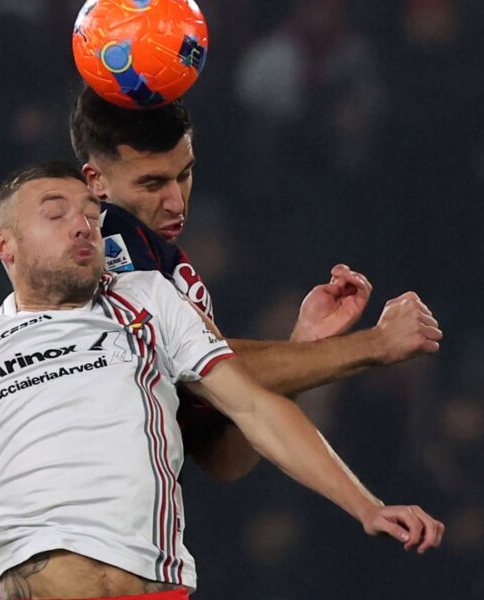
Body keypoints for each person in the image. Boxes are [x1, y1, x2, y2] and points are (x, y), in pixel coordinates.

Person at [0, 163, 445, 600]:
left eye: (91, 215)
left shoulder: (148, 299)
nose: (82, 225)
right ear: (6, 246)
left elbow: (254, 408)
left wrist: (366, 505)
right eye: (56, 214)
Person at [70, 88, 443, 479]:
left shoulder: (167, 266)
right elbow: (211, 367)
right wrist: (376, 344)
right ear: (96, 182)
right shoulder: (108, 242)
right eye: (151, 184)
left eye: (184, 174)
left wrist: (301, 349)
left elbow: (225, 458)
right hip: (78, 523)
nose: (177, 202)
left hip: (143, 526)